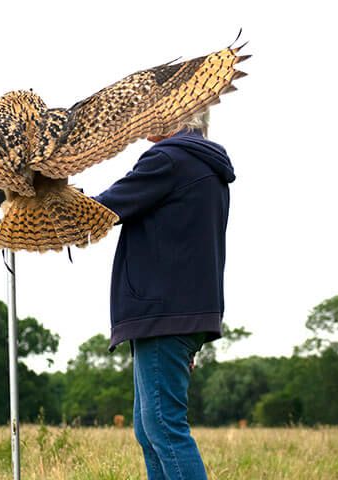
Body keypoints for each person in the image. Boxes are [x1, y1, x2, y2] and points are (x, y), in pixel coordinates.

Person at [94, 110, 234, 480]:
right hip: (185, 312)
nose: (141, 120)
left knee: (164, 429)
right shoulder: (207, 167)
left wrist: (31, 195)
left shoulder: (168, 159)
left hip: (162, 313)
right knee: (150, 429)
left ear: (176, 114)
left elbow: (100, 210)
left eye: (154, 110)